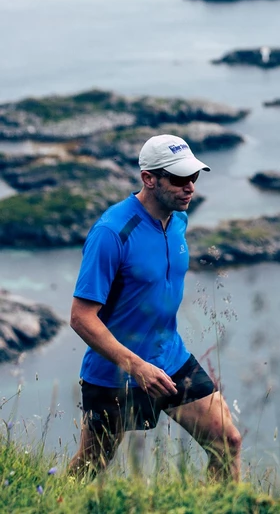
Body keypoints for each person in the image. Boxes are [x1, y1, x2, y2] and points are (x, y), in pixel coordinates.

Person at [68, 134, 242, 481]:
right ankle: (43, 503)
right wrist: (136, 367)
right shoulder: (112, 232)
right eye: (178, 179)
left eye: (194, 177)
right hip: (117, 373)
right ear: (149, 178)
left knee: (227, 442)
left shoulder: (177, 221)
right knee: (90, 466)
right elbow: (80, 317)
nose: (189, 187)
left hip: (171, 360)